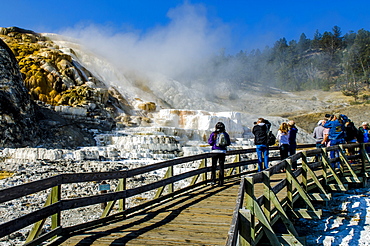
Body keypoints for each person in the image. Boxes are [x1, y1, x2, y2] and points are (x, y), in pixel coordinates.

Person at [208, 122, 231, 186]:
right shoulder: (225, 134)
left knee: (213, 166)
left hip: (214, 151)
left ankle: (213, 180)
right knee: (221, 167)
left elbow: (210, 142)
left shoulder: (213, 134)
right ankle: (221, 182)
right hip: (222, 152)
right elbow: (228, 143)